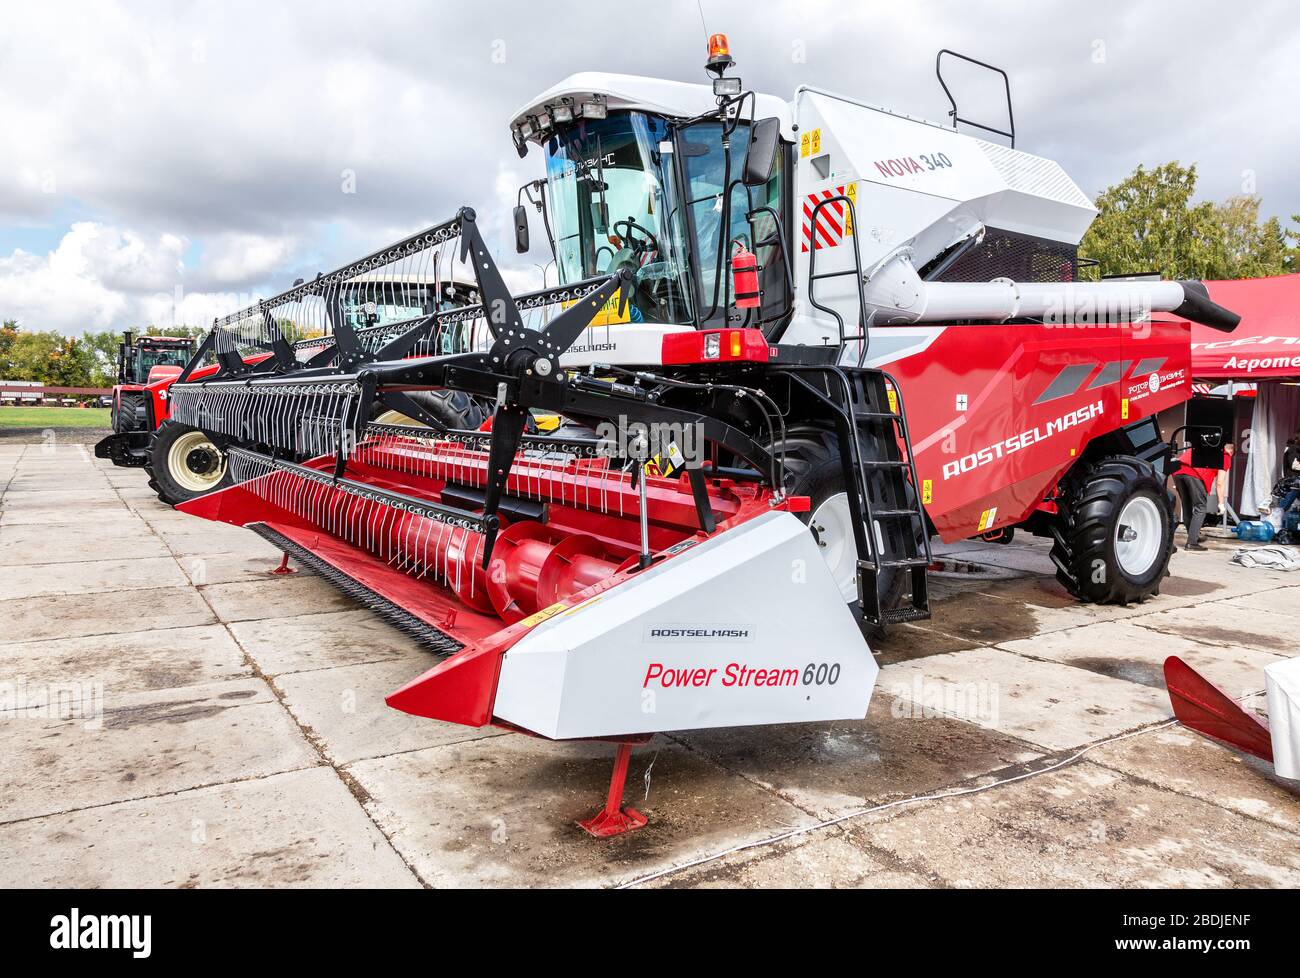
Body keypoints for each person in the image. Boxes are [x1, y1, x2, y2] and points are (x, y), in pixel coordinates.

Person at [1172, 443, 1231, 551]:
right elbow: (1220, 483)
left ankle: (1194, 536)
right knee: (1201, 507)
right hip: (1193, 475)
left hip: (1177, 472)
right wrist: (1221, 503)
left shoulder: (1205, 445)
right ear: (1231, 451)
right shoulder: (1226, 456)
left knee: (1187, 506)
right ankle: (1192, 543)